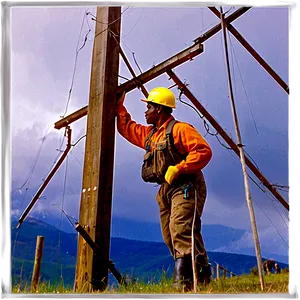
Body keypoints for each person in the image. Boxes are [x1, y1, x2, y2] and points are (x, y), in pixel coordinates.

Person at [116, 87, 213, 291]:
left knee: (181, 229)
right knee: (170, 236)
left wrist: (180, 168)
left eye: (149, 106)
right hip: (166, 189)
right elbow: (127, 128)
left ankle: (183, 284)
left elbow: (203, 151)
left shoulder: (180, 130)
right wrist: (119, 105)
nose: (146, 111)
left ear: (160, 109)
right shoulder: (150, 136)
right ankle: (203, 274)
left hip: (186, 185)